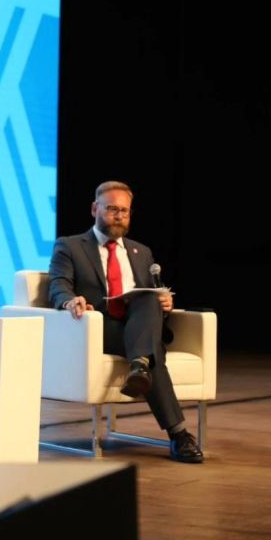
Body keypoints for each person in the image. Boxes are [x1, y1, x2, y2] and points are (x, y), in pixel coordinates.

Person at [47, 180, 203, 463]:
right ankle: (179, 434)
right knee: (152, 350)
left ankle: (140, 366)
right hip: (99, 329)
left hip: (137, 327)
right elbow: (59, 284)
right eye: (112, 209)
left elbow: (153, 296)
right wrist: (69, 300)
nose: (119, 216)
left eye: (124, 211)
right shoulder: (70, 246)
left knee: (149, 299)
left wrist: (165, 303)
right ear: (94, 209)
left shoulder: (141, 252)